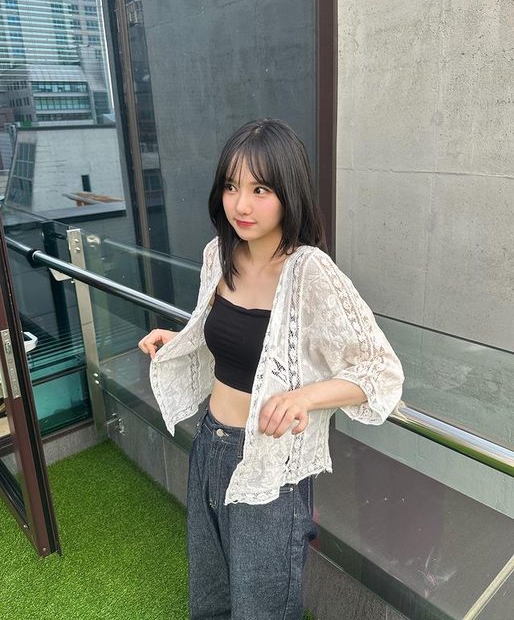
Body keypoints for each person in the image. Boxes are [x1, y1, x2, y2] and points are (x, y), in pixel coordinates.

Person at [138, 118, 404, 619]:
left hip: (270, 465)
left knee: (261, 607)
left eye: (260, 189)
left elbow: (381, 371)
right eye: (231, 186)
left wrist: (305, 396)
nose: (241, 205)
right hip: (210, 445)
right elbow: (237, 347)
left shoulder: (310, 272)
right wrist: (182, 340)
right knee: (210, 595)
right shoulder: (218, 255)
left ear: (288, 192)